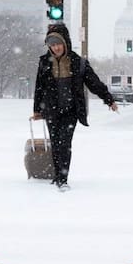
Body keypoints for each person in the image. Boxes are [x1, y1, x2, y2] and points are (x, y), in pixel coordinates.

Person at [30, 23, 118, 191]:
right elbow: (39, 87)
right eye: (52, 45)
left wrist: (108, 99)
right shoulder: (44, 62)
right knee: (55, 143)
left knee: (65, 143)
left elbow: (94, 83)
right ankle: (58, 175)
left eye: (58, 44)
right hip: (51, 111)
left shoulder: (78, 63)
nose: (56, 48)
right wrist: (37, 110)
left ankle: (63, 179)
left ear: (66, 43)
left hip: (70, 111)